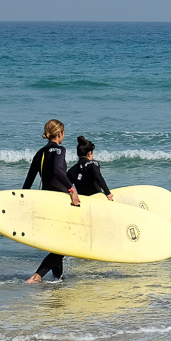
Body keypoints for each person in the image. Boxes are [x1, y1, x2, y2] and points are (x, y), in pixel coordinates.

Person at [23, 119, 80, 283]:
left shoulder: (39, 153)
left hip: (45, 202)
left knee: (57, 242)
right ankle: (37, 276)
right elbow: (57, 171)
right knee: (66, 244)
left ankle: (58, 279)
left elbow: (28, 183)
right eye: (63, 132)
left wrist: (22, 204)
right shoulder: (59, 150)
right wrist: (72, 189)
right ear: (60, 133)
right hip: (59, 202)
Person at [67, 136, 113, 200]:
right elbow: (98, 177)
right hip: (97, 199)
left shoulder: (72, 170)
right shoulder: (93, 164)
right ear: (89, 153)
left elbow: (67, 186)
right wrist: (108, 193)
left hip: (83, 200)